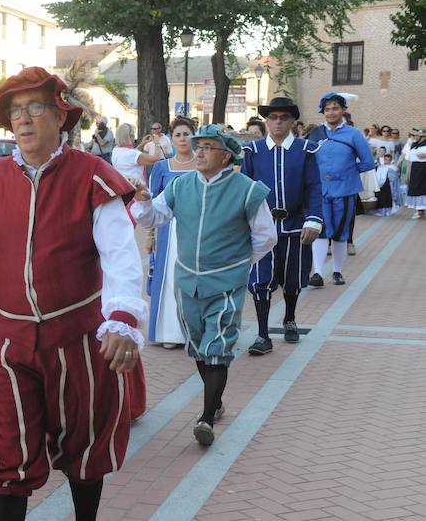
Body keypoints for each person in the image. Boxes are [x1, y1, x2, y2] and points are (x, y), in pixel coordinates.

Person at [0, 67, 147, 521]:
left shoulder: (92, 176)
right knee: (9, 451)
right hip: (9, 342)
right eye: (15, 111)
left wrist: (122, 317)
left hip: (79, 339)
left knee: (85, 447)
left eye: (35, 108)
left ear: (61, 117)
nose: (23, 119)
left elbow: (121, 255)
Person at [132, 124, 277, 446]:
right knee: (198, 346)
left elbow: (266, 238)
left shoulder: (248, 190)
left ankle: (207, 417)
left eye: (208, 147)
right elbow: (153, 218)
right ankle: (217, 401)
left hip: (226, 283)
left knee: (217, 348)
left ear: (226, 156)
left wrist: (239, 263)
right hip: (186, 280)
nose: (199, 151)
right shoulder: (181, 185)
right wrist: (143, 201)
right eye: (198, 146)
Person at [241, 97, 322, 356]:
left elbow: (314, 187)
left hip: (295, 224)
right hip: (261, 226)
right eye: (273, 117)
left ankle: (289, 317)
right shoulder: (253, 151)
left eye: (283, 117)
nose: (278, 122)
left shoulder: (306, 150)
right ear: (266, 120)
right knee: (260, 281)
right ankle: (263, 334)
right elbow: (244, 188)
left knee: (292, 278)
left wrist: (314, 219)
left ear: (292, 121)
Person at [305, 92, 376, 286]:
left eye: (335, 108)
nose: (331, 112)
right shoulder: (316, 133)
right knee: (319, 229)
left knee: (339, 232)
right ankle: (318, 273)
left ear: (343, 110)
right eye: (327, 109)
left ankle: (337, 271)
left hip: (344, 190)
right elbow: (308, 159)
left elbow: (368, 162)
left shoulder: (353, 134)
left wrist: (349, 173)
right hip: (320, 191)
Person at [146, 117, 196, 348]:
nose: (183, 139)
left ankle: (192, 331)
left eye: (187, 134)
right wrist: (150, 235)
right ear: (171, 139)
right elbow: (150, 203)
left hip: (197, 230)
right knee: (169, 279)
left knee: (194, 279)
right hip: (168, 230)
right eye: (178, 135)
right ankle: (169, 332)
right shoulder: (162, 167)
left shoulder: (202, 165)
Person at [372, 149, 401, 217]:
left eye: (388, 160)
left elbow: (395, 177)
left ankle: (388, 211)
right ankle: (380, 211)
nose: (387, 161)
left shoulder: (393, 168)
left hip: (389, 186)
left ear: (391, 160)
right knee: (380, 198)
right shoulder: (380, 167)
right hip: (381, 186)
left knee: (388, 199)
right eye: (385, 159)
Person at [405, 129, 426, 219]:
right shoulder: (413, 145)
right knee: (416, 188)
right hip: (415, 168)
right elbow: (410, 160)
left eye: (418, 136)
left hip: (424, 168)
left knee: (423, 188)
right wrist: (408, 174)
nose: (415, 137)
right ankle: (419, 210)